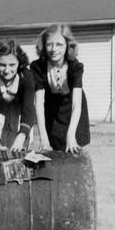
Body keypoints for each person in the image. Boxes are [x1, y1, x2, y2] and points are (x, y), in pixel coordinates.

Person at [31, 24, 90, 153]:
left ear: (68, 45)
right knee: (52, 148)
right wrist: (43, 138)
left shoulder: (75, 67)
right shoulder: (38, 67)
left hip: (72, 109)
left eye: (59, 45)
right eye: (49, 44)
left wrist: (71, 136)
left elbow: (76, 104)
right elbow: (39, 104)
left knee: (73, 148)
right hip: (52, 109)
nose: (53, 49)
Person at [0, 40, 35, 151]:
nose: (7, 70)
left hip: (19, 115)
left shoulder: (27, 77)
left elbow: (29, 109)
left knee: (19, 150)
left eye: (12, 65)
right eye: (2, 65)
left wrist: (21, 136)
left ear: (19, 63)